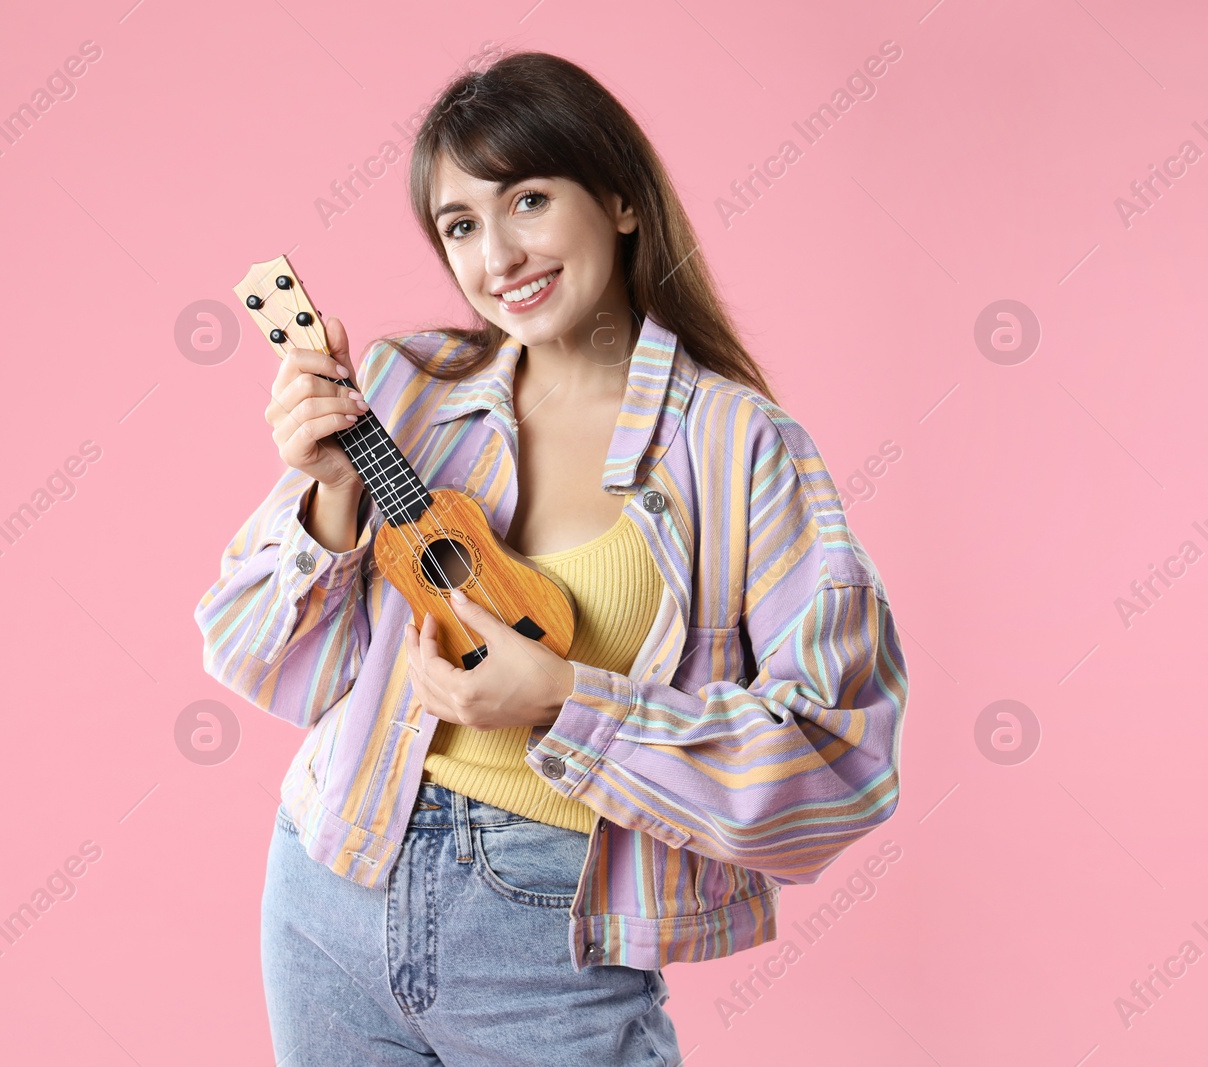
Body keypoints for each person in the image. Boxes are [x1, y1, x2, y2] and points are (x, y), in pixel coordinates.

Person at [195, 49, 908, 1067]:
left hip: (550, 934)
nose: (498, 256)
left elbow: (839, 755)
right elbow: (265, 660)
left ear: (618, 197)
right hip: (326, 890)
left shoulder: (736, 446)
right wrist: (329, 492)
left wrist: (570, 699)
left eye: (526, 199)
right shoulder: (405, 390)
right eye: (460, 225)